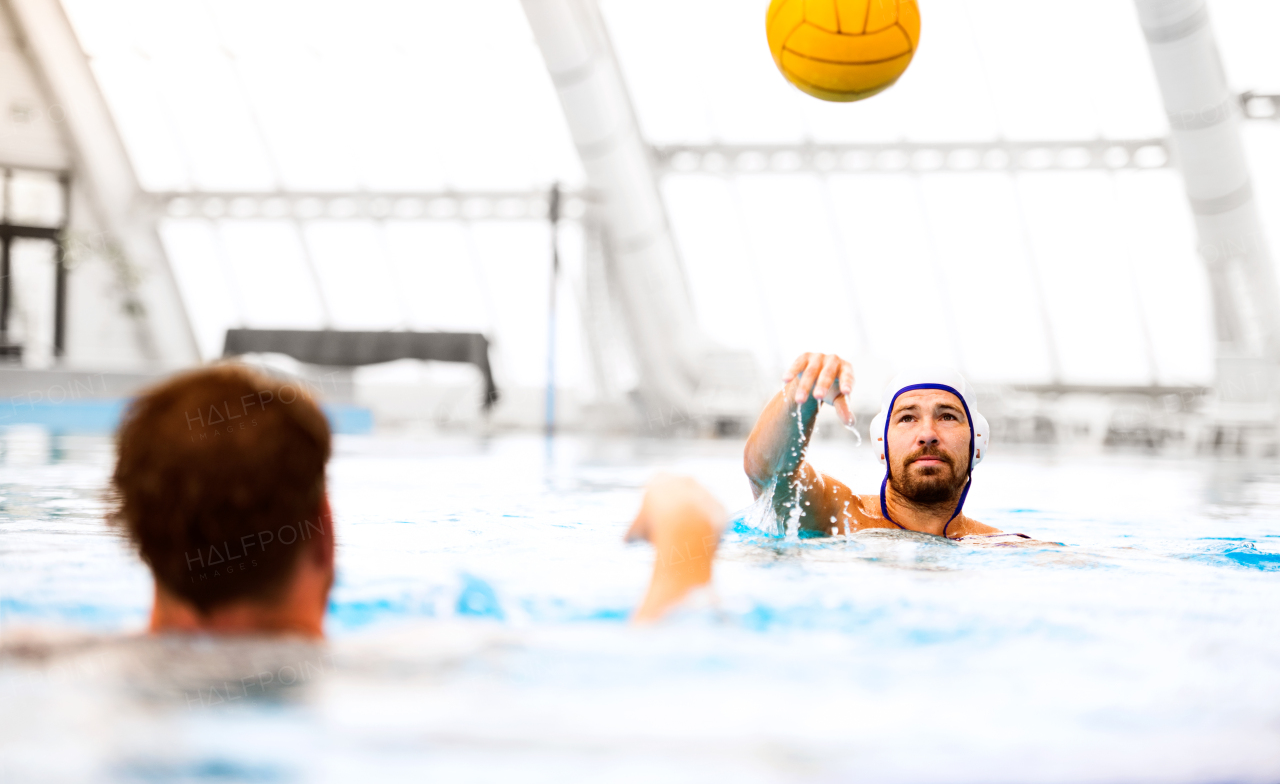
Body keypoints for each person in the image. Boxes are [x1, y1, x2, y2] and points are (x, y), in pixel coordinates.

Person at [109, 364, 723, 637]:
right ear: (324, 531)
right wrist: (682, 517)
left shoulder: (46, 658)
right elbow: (660, 647)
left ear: (141, 541)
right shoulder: (407, 675)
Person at [744, 351, 1026, 542]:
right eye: (907, 417)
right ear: (882, 442)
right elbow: (768, 474)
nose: (927, 434)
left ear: (978, 442)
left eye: (948, 416)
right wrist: (799, 392)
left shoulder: (1002, 547)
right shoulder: (839, 515)